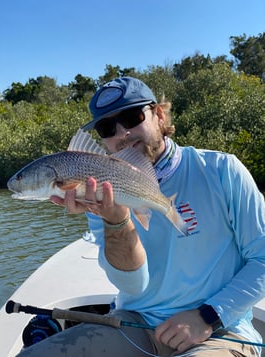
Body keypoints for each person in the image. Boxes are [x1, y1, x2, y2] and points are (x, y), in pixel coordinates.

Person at [17, 77, 265, 356]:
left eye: (132, 117)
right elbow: (133, 285)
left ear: (159, 115)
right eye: (107, 127)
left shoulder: (222, 170)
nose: (122, 133)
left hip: (221, 329)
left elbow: (263, 257)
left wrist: (208, 316)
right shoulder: (98, 192)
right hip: (137, 324)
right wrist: (116, 220)